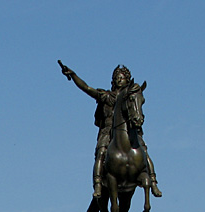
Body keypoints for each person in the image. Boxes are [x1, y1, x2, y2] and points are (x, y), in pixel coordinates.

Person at [59, 61, 162, 198]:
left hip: (128, 132)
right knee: (101, 151)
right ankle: (98, 185)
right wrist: (74, 75)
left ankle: (153, 181)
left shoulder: (129, 97)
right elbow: (87, 88)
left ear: (127, 80)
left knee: (143, 150)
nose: (119, 80)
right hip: (108, 131)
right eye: (116, 78)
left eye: (122, 78)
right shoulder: (106, 96)